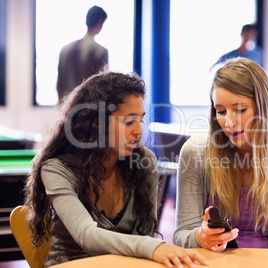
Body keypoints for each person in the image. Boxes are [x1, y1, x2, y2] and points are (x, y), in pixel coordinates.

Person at [23, 71, 208, 268]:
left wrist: (152, 248)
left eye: (141, 120)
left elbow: (146, 235)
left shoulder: (144, 162)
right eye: (129, 122)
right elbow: (87, 235)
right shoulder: (57, 168)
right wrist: (152, 247)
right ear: (96, 123)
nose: (138, 131)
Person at [174, 58, 268, 252]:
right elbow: (182, 233)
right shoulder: (195, 152)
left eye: (239, 110)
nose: (229, 123)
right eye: (220, 111)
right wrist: (200, 237)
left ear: (262, 108)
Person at [56, 5, 109, 104]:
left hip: (68, 110)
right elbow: (102, 88)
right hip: (89, 111)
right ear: (100, 22)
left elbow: (60, 85)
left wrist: (62, 111)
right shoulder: (100, 51)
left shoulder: (65, 50)